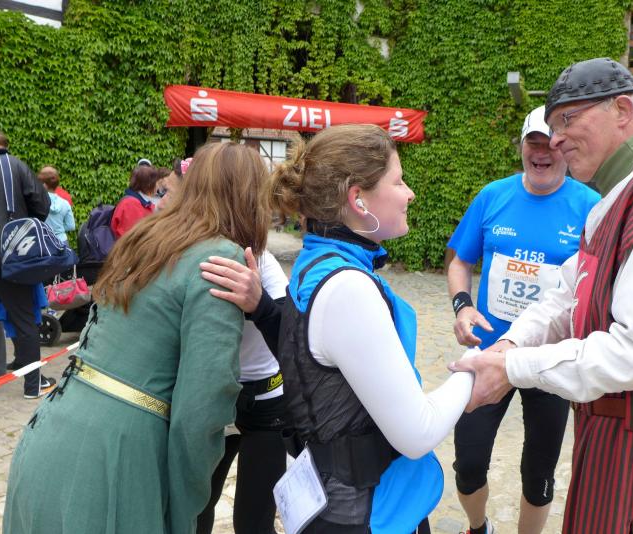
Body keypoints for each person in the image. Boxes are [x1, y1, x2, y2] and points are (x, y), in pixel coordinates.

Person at [450, 58, 633, 534]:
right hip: (620, 431)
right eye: (550, 127)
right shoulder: (619, 195)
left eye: (567, 120)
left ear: (621, 110)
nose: (555, 139)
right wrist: (509, 344)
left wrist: (514, 367)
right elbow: (568, 295)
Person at [202, 124, 474, 533]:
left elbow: (304, 352)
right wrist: (474, 370)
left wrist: (262, 308)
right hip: (368, 513)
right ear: (357, 198)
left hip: (345, 501)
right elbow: (417, 433)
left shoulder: (315, 262)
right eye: (398, 181)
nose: (410, 193)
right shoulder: (347, 286)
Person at [3, 141, 271, 534]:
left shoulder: (148, 234)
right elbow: (204, 406)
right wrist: (184, 506)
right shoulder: (222, 258)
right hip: (115, 460)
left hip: (49, 436)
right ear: (251, 197)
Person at [446, 105, 600, 534]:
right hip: (490, 351)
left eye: (551, 143)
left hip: (548, 359)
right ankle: (478, 527)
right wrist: (463, 305)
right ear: (522, 147)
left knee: (539, 472)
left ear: (565, 148)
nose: (542, 152)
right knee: (468, 461)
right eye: (534, 143)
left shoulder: (592, 207)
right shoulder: (493, 196)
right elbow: (460, 261)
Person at [196, 254, 289, 534]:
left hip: (265, 403)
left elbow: (291, 335)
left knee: (253, 524)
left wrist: (260, 303)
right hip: (212, 397)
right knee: (196, 510)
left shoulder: (263, 262)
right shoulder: (196, 255)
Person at [0, 131, 55, 399]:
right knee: (24, 321)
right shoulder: (15, 166)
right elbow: (42, 205)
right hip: (9, 258)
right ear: (5, 146)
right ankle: (33, 386)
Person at [110, 164, 158, 238]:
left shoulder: (141, 202)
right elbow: (129, 239)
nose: (157, 186)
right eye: (156, 182)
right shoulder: (131, 205)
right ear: (149, 184)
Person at [37, 166, 75, 244]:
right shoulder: (65, 203)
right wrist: (59, 229)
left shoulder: (37, 202)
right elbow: (71, 226)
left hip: (43, 241)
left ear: (44, 185)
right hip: (62, 242)